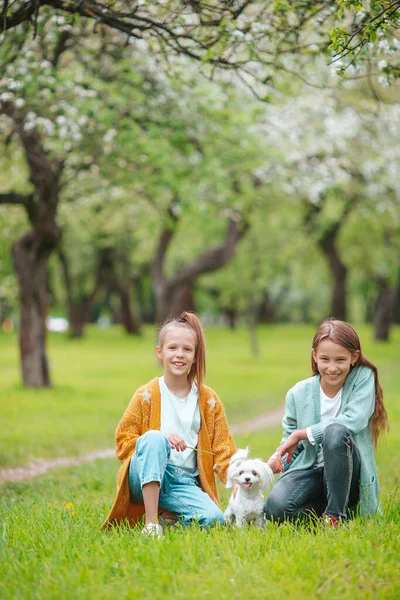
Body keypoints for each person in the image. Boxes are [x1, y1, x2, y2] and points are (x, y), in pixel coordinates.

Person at [102, 312, 236, 538]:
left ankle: (170, 516)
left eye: (187, 349)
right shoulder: (146, 394)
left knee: (214, 520)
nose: (179, 355)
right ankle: (152, 523)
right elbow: (123, 442)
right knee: (154, 438)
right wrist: (161, 438)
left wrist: (238, 479)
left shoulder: (208, 399)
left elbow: (223, 449)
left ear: (195, 356)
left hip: (183, 482)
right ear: (160, 352)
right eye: (173, 348)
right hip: (145, 474)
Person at [265, 318, 388, 526]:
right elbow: (290, 443)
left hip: (348, 473)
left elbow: (354, 420)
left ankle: (334, 516)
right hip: (311, 471)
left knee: (335, 432)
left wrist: (303, 433)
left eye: (340, 360)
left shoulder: (363, 378)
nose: (332, 368)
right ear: (315, 356)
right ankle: (324, 513)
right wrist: (269, 466)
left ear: (353, 357)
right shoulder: (298, 393)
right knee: (276, 508)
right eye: (325, 359)